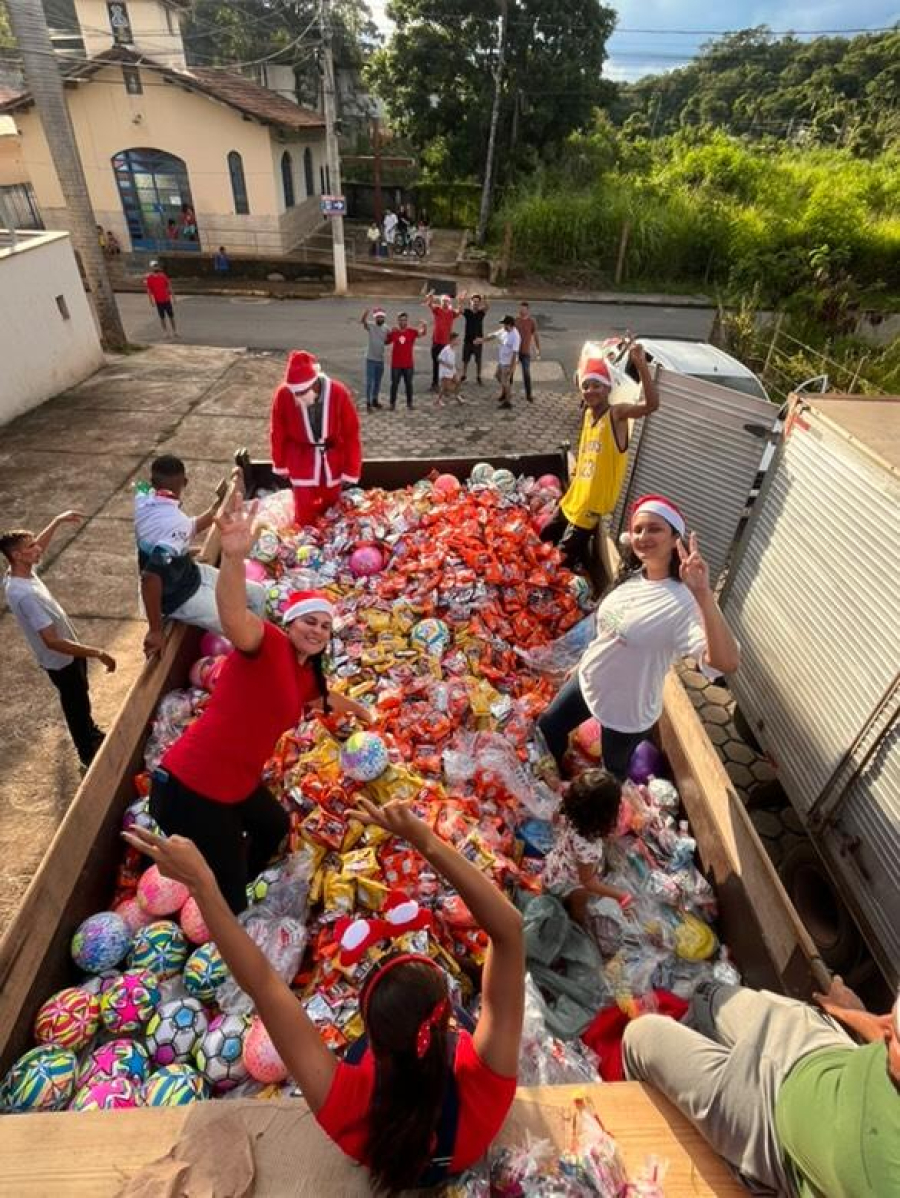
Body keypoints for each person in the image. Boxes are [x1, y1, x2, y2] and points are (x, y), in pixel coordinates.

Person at [123, 792, 524, 1191]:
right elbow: (508, 931)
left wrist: (202, 885)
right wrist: (425, 840)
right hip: (465, 1149)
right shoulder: (487, 1080)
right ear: (444, 1018)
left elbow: (263, 985)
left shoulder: (346, 1107)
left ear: (371, 1037)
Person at [139, 491, 371, 912]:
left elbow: (322, 698)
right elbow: (231, 614)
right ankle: (229, 924)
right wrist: (231, 557)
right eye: (309, 621)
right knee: (227, 894)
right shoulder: (268, 643)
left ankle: (239, 879)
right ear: (290, 622)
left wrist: (360, 711)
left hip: (235, 786)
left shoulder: (303, 672)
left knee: (275, 826)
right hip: (192, 789)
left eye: (324, 626)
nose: (317, 631)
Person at [623, 975, 900, 1196]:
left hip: (770, 1130)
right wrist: (856, 1016)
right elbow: (885, 1036)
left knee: (640, 1036)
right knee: (707, 994)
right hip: (823, 1052)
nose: (889, 1036)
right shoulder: (888, 1048)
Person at [537, 494, 740, 778]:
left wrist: (705, 594)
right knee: (547, 729)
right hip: (588, 679)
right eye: (638, 529)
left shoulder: (685, 602)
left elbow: (726, 662)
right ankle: (556, 782)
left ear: (674, 539)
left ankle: (602, 811)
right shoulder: (633, 576)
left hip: (626, 712)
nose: (644, 536)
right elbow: (610, 630)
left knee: (612, 772)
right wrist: (584, 662)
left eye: (655, 528)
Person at [2, 513, 115, 768]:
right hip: (60, 659)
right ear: (18, 555)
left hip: (69, 652)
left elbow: (38, 545)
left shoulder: (19, 571)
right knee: (74, 704)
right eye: (30, 547)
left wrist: (57, 521)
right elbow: (52, 640)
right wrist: (97, 653)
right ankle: (87, 752)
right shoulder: (25, 594)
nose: (37, 548)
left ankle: (91, 731)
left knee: (81, 696)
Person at [540, 345, 658, 572]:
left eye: (596, 385)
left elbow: (651, 405)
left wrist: (641, 365)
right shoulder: (587, 414)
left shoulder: (616, 414)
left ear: (607, 389)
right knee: (544, 534)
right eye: (586, 386)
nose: (590, 390)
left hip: (591, 507)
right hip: (574, 498)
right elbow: (586, 453)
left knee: (560, 559)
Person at [135, 455, 265, 657]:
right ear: (185, 482)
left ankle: (257, 645)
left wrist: (217, 509)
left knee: (257, 595)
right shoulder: (175, 524)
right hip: (177, 597)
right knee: (238, 628)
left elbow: (189, 527)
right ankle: (253, 655)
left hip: (191, 572)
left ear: (152, 483)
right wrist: (155, 630)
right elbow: (150, 578)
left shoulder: (143, 495)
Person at [270, 350, 363, 527]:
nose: (297, 398)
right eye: (295, 393)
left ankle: (331, 545)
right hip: (300, 458)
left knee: (332, 507)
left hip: (332, 459)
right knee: (304, 510)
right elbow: (278, 430)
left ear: (314, 384)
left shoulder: (338, 392)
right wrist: (280, 462)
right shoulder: (283, 395)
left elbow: (351, 432)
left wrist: (351, 469)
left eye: (302, 392)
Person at [542, 768, 632, 922]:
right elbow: (588, 881)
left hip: (555, 867)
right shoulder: (587, 847)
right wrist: (620, 896)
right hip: (569, 883)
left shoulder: (570, 813)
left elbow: (555, 819)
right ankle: (577, 924)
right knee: (580, 901)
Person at [385, 311, 428, 411]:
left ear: (407, 321)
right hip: (396, 364)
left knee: (409, 384)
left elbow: (422, 334)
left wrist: (424, 325)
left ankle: (409, 403)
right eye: (400, 320)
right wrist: (387, 333)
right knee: (394, 384)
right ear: (398, 321)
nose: (402, 322)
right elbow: (386, 342)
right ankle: (392, 404)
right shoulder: (394, 332)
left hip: (408, 364)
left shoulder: (411, 332)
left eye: (404, 320)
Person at [476, 315, 520, 410]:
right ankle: (505, 393)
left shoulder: (515, 336)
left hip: (508, 363)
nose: (503, 326)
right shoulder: (504, 330)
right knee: (497, 376)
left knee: (505, 381)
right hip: (502, 361)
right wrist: (482, 340)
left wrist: (512, 368)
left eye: (504, 324)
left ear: (510, 324)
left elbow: (515, 353)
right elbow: (493, 336)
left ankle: (507, 402)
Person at [424, 291, 463, 391]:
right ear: (440, 302)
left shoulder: (451, 313)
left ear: (449, 303)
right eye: (443, 301)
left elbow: (460, 311)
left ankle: (447, 384)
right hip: (436, 342)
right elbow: (429, 305)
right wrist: (429, 298)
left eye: (446, 301)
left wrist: (460, 301)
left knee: (447, 364)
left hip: (446, 344)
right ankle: (435, 383)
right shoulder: (437, 310)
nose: (444, 303)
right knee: (436, 363)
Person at [360, 307, 388, 412]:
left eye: (382, 317)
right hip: (370, 359)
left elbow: (389, 338)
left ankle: (375, 400)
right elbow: (363, 322)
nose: (380, 318)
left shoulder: (386, 328)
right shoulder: (371, 326)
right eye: (378, 317)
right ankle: (368, 403)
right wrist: (366, 313)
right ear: (375, 318)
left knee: (377, 382)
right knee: (370, 382)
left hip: (380, 359)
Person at [514, 301, 541, 404]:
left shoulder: (531, 322)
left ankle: (528, 395)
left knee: (526, 373)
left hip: (525, 352)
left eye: (524, 309)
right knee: (510, 373)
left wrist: (538, 350)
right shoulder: (515, 320)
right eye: (521, 308)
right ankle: (506, 393)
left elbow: (536, 336)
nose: (522, 310)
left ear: (528, 310)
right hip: (515, 352)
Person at [460, 294, 489, 385]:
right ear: (470, 302)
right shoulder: (467, 312)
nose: (475, 303)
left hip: (478, 341)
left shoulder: (481, 313)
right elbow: (460, 310)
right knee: (465, 360)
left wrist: (485, 300)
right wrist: (461, 300)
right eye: (474, 301)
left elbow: (487, 307)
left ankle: (478, 376)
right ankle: (464, 375)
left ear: (479, 303)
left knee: (478, 360)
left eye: (477, 302)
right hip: (467, 340)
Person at [145, 260, 177, 338]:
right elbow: (149, 290)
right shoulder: (149, 278)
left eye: (156, 265)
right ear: (151, 268)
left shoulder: (163, 276)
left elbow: (169, 286)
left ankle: (175, 331)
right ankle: (165, 332)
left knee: (171, 316)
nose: (155, 267)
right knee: (162, 317)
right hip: (158, 301)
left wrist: (173, 297)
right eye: (154, 266)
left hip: (166, 299)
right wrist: (151, 301)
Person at [437, 331, 465, 407]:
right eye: (457, 339)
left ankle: (457, 396)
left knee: (458, 381)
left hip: (452, 370)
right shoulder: (446, 349)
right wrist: (447, 365)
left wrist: (456, 367)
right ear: (452, 340)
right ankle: (439, 400)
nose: (459, 341)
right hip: (445, 371)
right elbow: (439, 359)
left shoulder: (453, 349)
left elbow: (452, 360)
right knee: (444, 387)